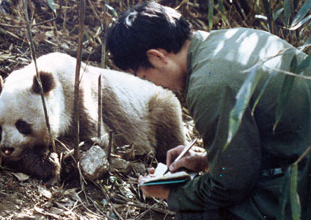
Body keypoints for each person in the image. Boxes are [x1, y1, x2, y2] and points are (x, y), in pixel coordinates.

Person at [106, 2, 311, 220]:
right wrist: (207, 161)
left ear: (157, 57)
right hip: (299, 162)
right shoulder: (230, 39)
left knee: (194, 216)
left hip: (303, 185)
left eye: (145, 77)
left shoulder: (207, 85)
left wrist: (173, 194)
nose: (155, 85)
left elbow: (232, 184)